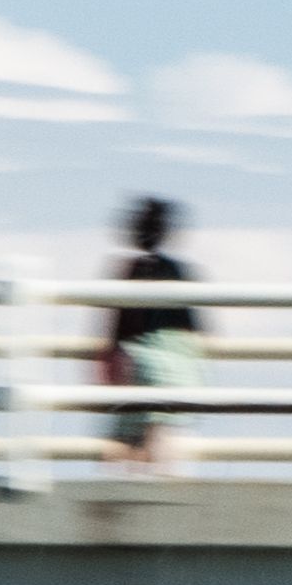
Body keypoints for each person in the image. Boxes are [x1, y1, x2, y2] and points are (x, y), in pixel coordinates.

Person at [99, 195, 204, 474]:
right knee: (165, 457)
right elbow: (196, 332)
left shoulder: (128, 270)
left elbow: (116, 332)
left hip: (138, 367)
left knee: (123, 455)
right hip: (179, 372)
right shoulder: (180, 271)